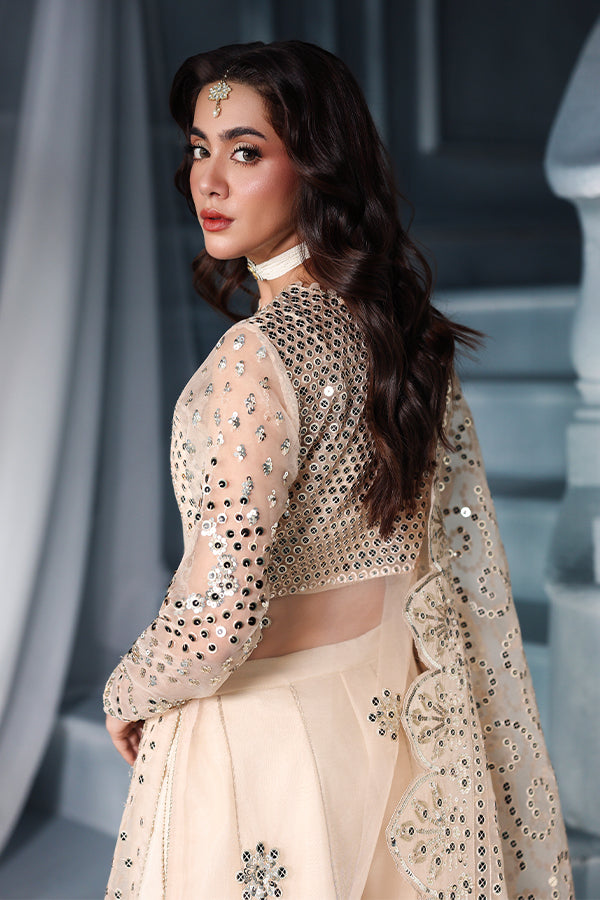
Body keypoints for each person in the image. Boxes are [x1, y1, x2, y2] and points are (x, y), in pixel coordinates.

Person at [103, 40, 574, 900]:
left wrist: (130, 687)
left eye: (246, 152)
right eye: (200, 150)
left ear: (316, 167)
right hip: (383, 725)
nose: (209, 182)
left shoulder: (255, 358)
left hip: (265, 745)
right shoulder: (401, 336)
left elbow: (219, 617)